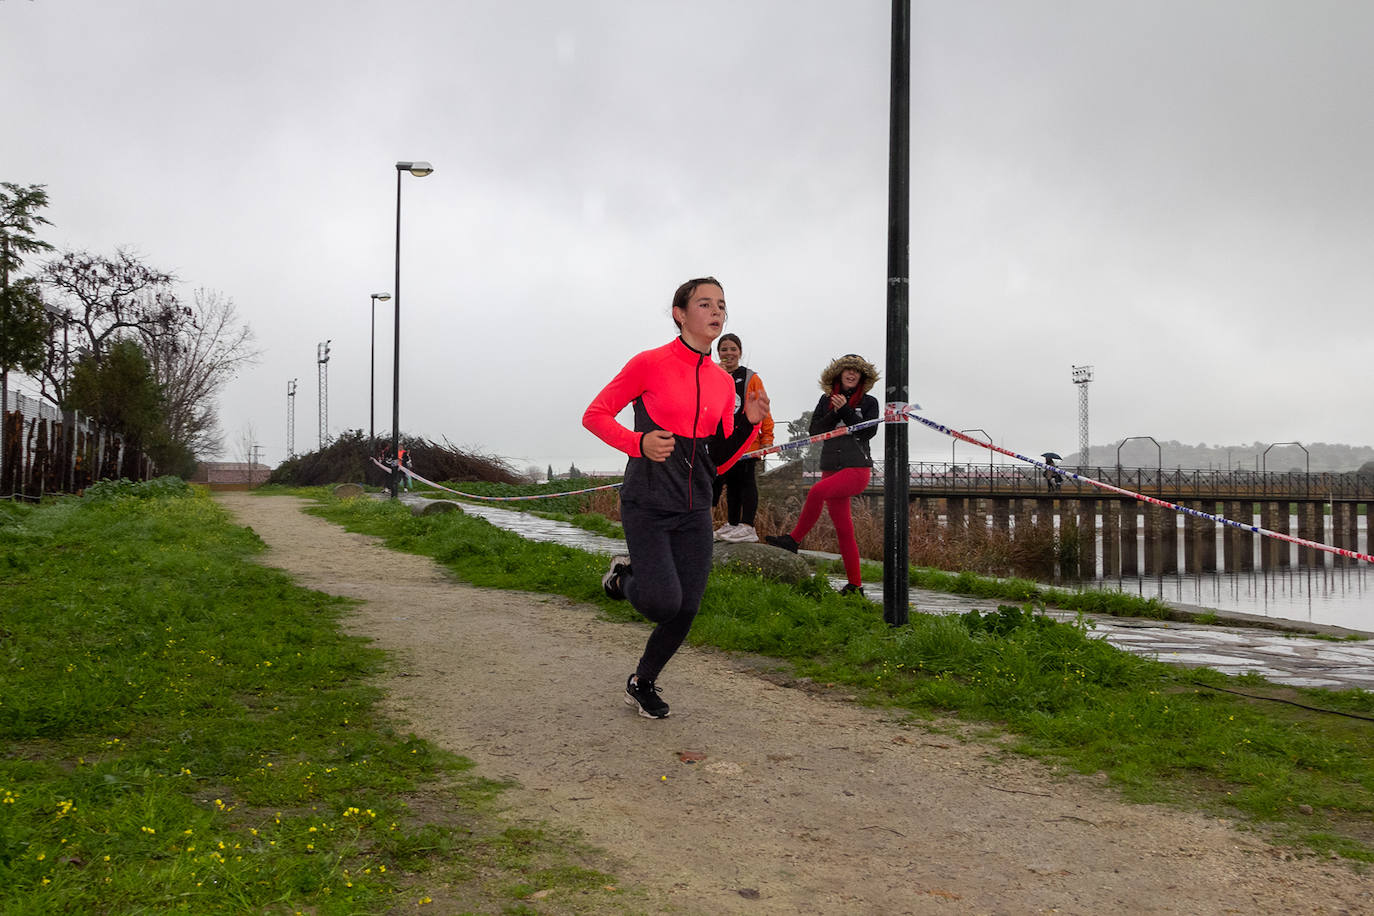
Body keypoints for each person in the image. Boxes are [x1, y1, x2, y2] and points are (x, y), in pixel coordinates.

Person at [583, 277, 769, 718]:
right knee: (663, 601)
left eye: (721, 304)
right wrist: (638, 443)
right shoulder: (649, 363)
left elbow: (719, 459)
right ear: (680, 314)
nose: (716, 311)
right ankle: (622, 578)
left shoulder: (724, 384)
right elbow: (594, 415)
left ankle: (642, 681)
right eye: (704, 303)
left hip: (694, 508)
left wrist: (747, 422)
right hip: (647, 500)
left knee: (686, 607)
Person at [765, 354, 879, 598]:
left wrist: (846, 410)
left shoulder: (870, 402)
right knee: (843, 529)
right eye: (847, 370)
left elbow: (868, 432)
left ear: (861, 377)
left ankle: (793, 540)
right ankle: (855, 586)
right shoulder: (825, 400)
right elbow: (815, 430)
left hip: (856, 468)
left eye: (856, 371)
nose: (851, 374)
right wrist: (835, 412)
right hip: (830, 465)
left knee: (816, 491)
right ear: (839, 374)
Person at [711, 333, 774, 543]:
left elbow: (763, 406)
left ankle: (748, 525)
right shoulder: (712, 374)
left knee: (747, 481)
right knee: (731, 484)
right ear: (718, 352)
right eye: (724, 349)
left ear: (740, 352)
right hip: (724, 443)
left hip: (748, 441)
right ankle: (733, 523)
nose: (728, 353)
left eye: (733, 349)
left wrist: (767, 439)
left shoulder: (750, 377)